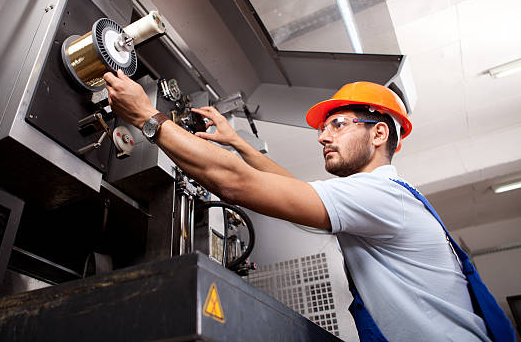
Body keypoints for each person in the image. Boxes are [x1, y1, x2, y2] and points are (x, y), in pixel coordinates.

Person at [103, 71, 514, 342]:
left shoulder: (381, 196)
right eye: (322, 128)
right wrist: (241, 145)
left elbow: (233, 184)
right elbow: (297, 190)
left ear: (379, 133)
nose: (322, 137)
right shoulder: (381, 198)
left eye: (338, 124)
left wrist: (146, 115)